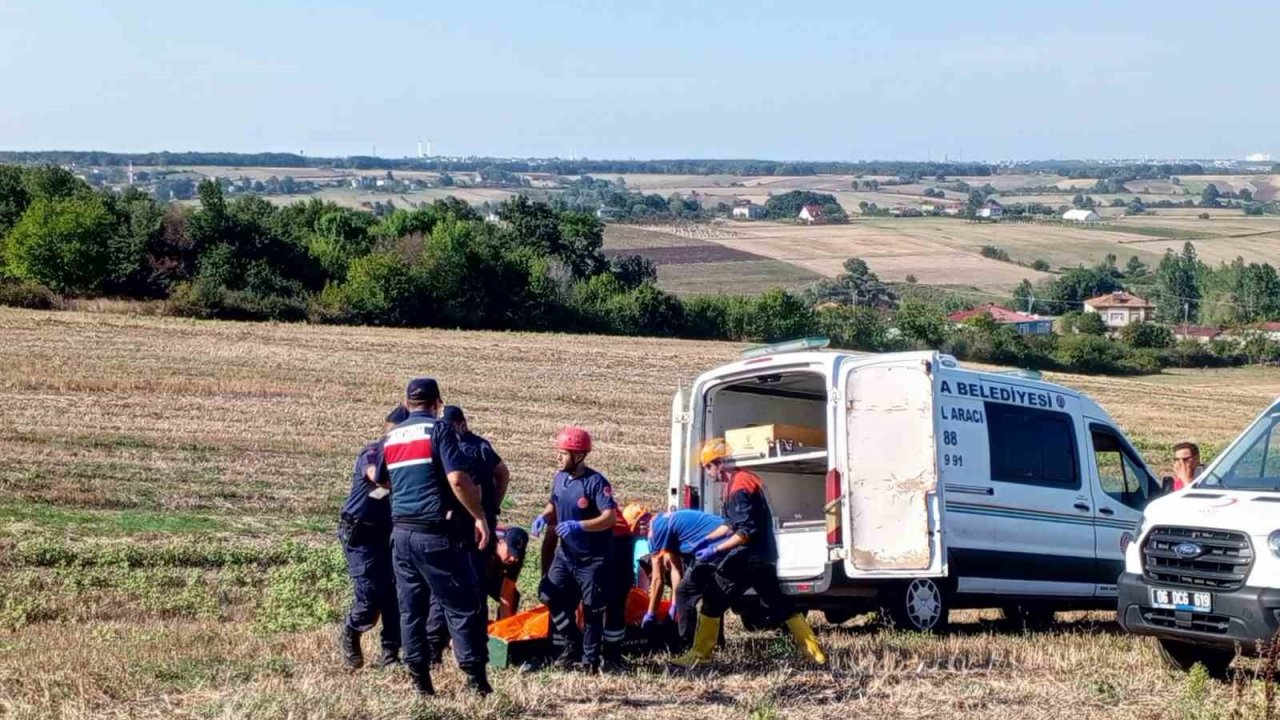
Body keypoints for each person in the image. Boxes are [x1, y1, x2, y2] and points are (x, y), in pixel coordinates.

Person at [379, 378, 492, 696]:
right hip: (436, 533)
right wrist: (479, 515)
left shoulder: (392, 436)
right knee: (461, 603)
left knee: (411, 609)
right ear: (438, 402)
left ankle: (420, 682)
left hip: (401, 533)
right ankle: (475, 681)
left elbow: (380, 480)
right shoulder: (439, 430)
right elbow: (457, 479)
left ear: (406, 403)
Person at [671, 438, 827, 668]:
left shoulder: (739, 487)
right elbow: (730, 524)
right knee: (779, 603)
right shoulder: (741, 480)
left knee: (712, 599)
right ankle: (814, 654)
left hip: (747, 557)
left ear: (719, 463)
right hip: (765, 555)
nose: (707, 472)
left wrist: (716, 549)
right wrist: (706, 539)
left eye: (707, 466)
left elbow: (744, 533)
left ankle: (700, 655)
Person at [425, 406, 512, 662]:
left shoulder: (450, 448)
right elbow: (503, 474)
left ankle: (434, 649)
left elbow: (456, 483)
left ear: (460, 425)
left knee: (444, 589)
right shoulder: (483, 446)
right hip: (483, 525)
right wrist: (492, 507)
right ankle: (478, 648)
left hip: (458, 527)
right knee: (477, 587)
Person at [532, 427, 618, 672]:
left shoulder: (596, 482)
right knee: (547, 593)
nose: (558, 458)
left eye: (563, 454)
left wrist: (579, 525)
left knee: (592, 609)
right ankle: (573, 640)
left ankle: (589, 661)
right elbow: (554, 503)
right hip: (566, 555)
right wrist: (544, 517)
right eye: (557, 453)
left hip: (593, 559)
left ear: (579, 456)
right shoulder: (559, 478)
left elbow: (609, 518)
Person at [336, 440, 400, 670]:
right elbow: (376, 476)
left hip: (388, 531)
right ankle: (350, 629)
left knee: (395, 595)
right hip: (360, 532)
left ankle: (390, 656)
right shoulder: (375, 452)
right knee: (369, 598)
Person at [643, 508, 728, 648]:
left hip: (714, 544)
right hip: (726, 534)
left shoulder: (655, 533)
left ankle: (686, 643)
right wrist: (674, 606)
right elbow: (676, 570)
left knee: (685, 592)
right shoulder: (665, 523)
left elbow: (658, 579)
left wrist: (650, 615)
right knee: (711, 594)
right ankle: (716, 642)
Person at [599, 503, 650, 670]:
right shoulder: (632, 543)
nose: (644, 525)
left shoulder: (643, 545)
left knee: (613, 605)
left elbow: (644, 580)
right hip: (628, 583)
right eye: (640, 522)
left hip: (634, 592)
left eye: (645, 521)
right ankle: (609, 653)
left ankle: (611, 654)